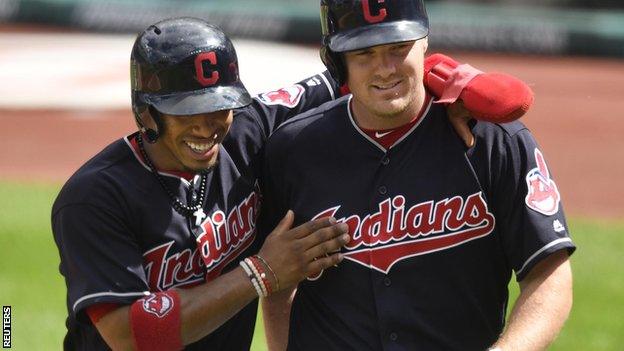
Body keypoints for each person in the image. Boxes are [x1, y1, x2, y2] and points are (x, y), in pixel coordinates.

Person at [51, 15, 530, 351]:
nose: (208, 125)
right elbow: (133, 335)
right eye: (185, 112)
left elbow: (361, 68)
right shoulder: (95, 198)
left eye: (220, 105)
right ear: (146, 112)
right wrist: (263, 273)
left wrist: (452, 80)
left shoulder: (249, 130)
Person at [260, 1, 575, 351]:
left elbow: (549, 273)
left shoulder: (492, 140)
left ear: (424, 42)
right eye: (364, 53)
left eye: (399, 47)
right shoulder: (292, 150)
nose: (385, 69)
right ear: (337, 61)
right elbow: (279, 286)